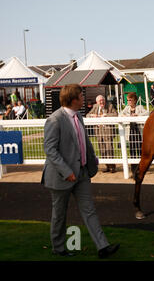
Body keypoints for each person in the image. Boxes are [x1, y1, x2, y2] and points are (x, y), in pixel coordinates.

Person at [41, 84, 119, 258]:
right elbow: (50, 149)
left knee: (89, 210)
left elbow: (85, 142)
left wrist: (92, 161)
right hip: (62, 176)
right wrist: (66, 171)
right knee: (59, 215)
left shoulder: (79, 117)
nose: (84, 99)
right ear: (73, 99)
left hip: (82, 173)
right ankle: (59, 248)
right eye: (81, 96)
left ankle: (103, 247)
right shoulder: (55, 119)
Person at [120, 92, 149, 177]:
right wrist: (127, 116)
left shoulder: (140, 107)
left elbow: (147, 113)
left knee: (140, 151)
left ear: (135, 100)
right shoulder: (126, 108)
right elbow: (120, 114)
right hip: (130, 133)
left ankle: (141, 169)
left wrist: (138, 115)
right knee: (132, 151)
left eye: (130, 100)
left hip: (138, 132)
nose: (129, 102)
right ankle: (133, 170)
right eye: (128, 100)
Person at [87, 95, 118, 173]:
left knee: (109, 148)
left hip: (107, 130)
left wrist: (106, 115)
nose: (101, 102)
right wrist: (92, 116)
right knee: (102, 149)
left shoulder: (110, 106)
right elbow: (87, 115)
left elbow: (116, 114)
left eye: (102, 100)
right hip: (98, 131)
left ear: (105, 100)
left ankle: (112, 167)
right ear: (97, 102)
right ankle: (107, 166)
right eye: (100, 101)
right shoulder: (95, 107)